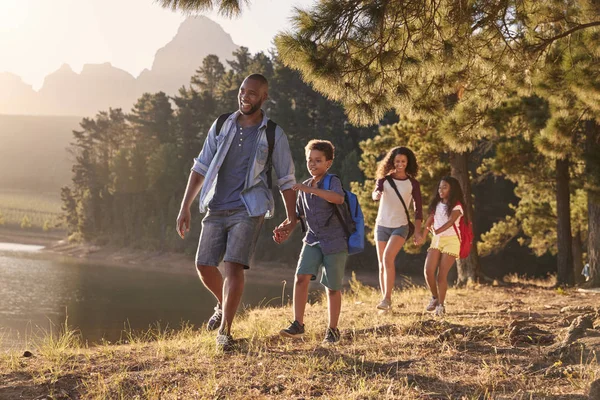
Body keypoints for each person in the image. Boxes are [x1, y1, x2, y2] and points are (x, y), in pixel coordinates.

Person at [176, 74, 297, 351]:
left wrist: (291, 217)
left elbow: (286, 179)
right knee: (204, 265)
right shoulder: (221, 124)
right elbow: (201, 166)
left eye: (253, 93)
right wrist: (185, 207)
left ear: (264, 97)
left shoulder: (273, 133)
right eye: (243, 91)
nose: (245, 96)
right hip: (216, 205)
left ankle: (225, 332)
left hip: (249, 208)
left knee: (233, 265)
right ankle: (223, 304)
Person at [275, 139, 348, 344]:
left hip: (335, 242)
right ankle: (298, 324)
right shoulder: (305, 186)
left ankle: (332, 330)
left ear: (328, 163)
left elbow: (338, 198)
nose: (312, 164)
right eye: (310, 160)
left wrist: (312, 191)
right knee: (300, 278)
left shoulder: (331, 181)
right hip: (312, 240)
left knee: (332, 287)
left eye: (318, 160)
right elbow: (297, 215)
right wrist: (285, 228)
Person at [371, 147, 423, 311]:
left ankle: (387, 299)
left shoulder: (412, 183)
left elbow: (418, 209)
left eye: (403, 161)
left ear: (408, 163)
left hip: (401, 226)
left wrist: (418, 231)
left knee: (387, 259)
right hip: (381, 225)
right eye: (397, 161)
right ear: (392, 162)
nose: (400, 164)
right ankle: (384, 300)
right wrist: (376, 195)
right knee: (381, 264)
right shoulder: (384, 180)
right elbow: (376, 192)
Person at [420, 176, 465, 317]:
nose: (441, 190)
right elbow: (430, 220)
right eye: (440, 187)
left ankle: (441, 305)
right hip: (437, 240)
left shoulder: (457, 206)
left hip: (452, 241)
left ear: (452, 189)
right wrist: (422, 235)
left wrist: (437, 230)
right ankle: (434, 297)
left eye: (444, 187)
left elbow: (451, 221)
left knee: (441, 275)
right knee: (428, 271)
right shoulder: (437, 204)